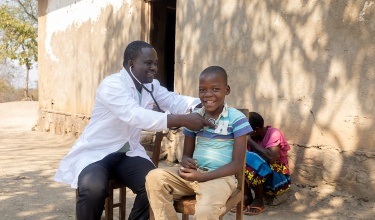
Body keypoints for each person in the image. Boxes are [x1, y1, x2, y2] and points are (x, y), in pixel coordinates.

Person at [54, 41, 215, 220]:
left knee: (154, 185)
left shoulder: (151, 85)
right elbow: (135, 115)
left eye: (155, 63)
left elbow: (173, 100)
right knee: (93, 190)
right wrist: (183, 120)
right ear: (131, 64)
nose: (154, 68)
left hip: (128, 153)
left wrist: (205, 104)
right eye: (148, 63)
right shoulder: (111, 85)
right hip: (97, 153)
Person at [145, 66, 253, 220]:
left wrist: (203, 177)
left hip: (220, 179)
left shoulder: (236, 119)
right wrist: (186, 160)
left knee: (205, 211)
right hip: (193, 175)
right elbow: (186, 155)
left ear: (227, 90)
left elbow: (237, 164)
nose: (208, 95)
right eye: (202, 90)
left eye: (215, 89)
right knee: (154, 177)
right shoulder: (195, 118)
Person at [234, 112, 291, 215]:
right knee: (238, 157)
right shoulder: (254, 136)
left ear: (256, 129)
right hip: (262, 180)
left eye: (247, 132)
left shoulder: (274, 133)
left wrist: (250, 141)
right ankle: (247, 197)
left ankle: (259, 200)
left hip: (278, 180)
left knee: (251, 158)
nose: (245, 135)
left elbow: (271, 158)